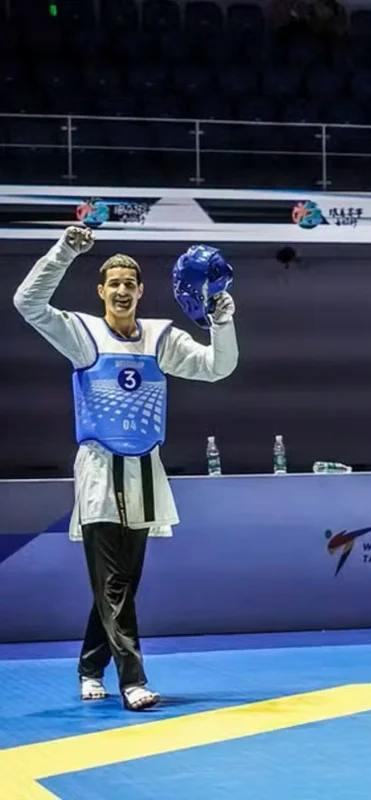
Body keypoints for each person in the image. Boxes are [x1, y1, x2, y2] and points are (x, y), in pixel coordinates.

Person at [12, 227, 239, 711]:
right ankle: (133, 680)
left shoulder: (161, 337)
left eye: (128, 283)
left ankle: (90, 667)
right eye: (112, 283)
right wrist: (65, 251)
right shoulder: (81, 334)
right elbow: (27, 301)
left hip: (145, 475)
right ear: (101, 291)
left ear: (140, 291)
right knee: (114, 584)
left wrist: (221, 322)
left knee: (120, 586)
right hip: (97, 470)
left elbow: (218, 367)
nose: (120, 290)